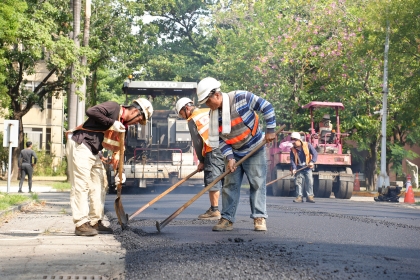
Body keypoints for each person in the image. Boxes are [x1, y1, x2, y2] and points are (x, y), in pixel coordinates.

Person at [197, 77, 276, 232]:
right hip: (235, 151)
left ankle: (259, 218)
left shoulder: (242, 98)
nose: (207, 106)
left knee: (257, 183)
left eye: (208, 101)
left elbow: (267, 107)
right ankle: (227, 219)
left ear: (217, 95)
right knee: (229, 185)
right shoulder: (213, 117)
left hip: (255, 148)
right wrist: (230, 157)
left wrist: (271, 130)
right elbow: (220, 140)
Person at [66, 98, 153, 236]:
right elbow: (91, 111)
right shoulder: (113, 107)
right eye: (138, 120)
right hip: (81, 144)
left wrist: (120, 172)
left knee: (100, 184)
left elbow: (119, 150)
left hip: (94, 151)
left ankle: (95, 221)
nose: (137, 123)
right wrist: (112, 122)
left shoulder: (123, 127)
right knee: (81, 185)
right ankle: (81, 223)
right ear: (135, 111)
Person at [175, 97, 224, 220]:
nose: (182, 117)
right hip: (225, 147)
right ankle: (225, 211)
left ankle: (214, 210)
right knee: (222, 178)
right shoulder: (207, 110)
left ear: (187, 108)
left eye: (181, 114)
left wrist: (201, 161)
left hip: (212, 149)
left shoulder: (192, 119)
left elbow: (197, 142)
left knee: (212, 179)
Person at [289, 132, 318, 203]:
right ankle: (299, 197)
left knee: (310, 182)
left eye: (294, 141)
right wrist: (294, 169)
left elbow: (315, 154)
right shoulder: (292, 150)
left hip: (308, 168)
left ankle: (310, 197)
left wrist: (312, 162)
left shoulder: (307, 145)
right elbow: (292, 160)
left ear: (299, 140)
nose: (293, 143)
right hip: (299, 168)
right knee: (298, 183)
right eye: (292, 141)